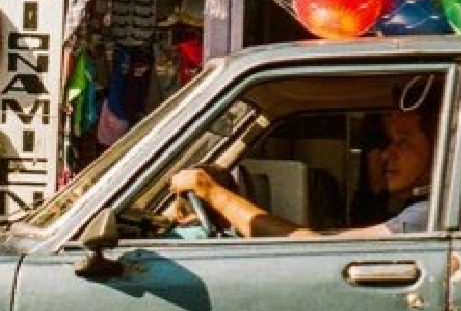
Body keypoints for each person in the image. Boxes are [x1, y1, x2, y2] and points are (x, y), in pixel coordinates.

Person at [170, 95, 436, 238]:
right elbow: (331, 240)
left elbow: (319, 251)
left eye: (402, 141)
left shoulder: (429, 214)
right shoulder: (425, 209)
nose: (387, 154)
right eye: (388, 141)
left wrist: (215, 194)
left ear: (440, 144)